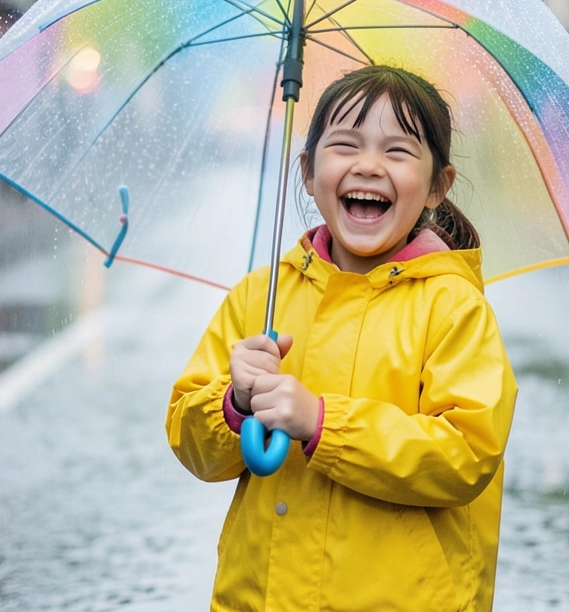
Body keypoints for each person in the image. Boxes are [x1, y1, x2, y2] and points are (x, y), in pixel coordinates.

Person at [166, 65, 517, 611]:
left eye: (398, 152)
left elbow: (466, 454)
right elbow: (194, 448)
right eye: (345, 145)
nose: (369, 166)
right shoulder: (260, 299)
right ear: (308, 171)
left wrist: (324, 425)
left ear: (436, 187)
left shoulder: (453, 307)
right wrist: (232, 403)